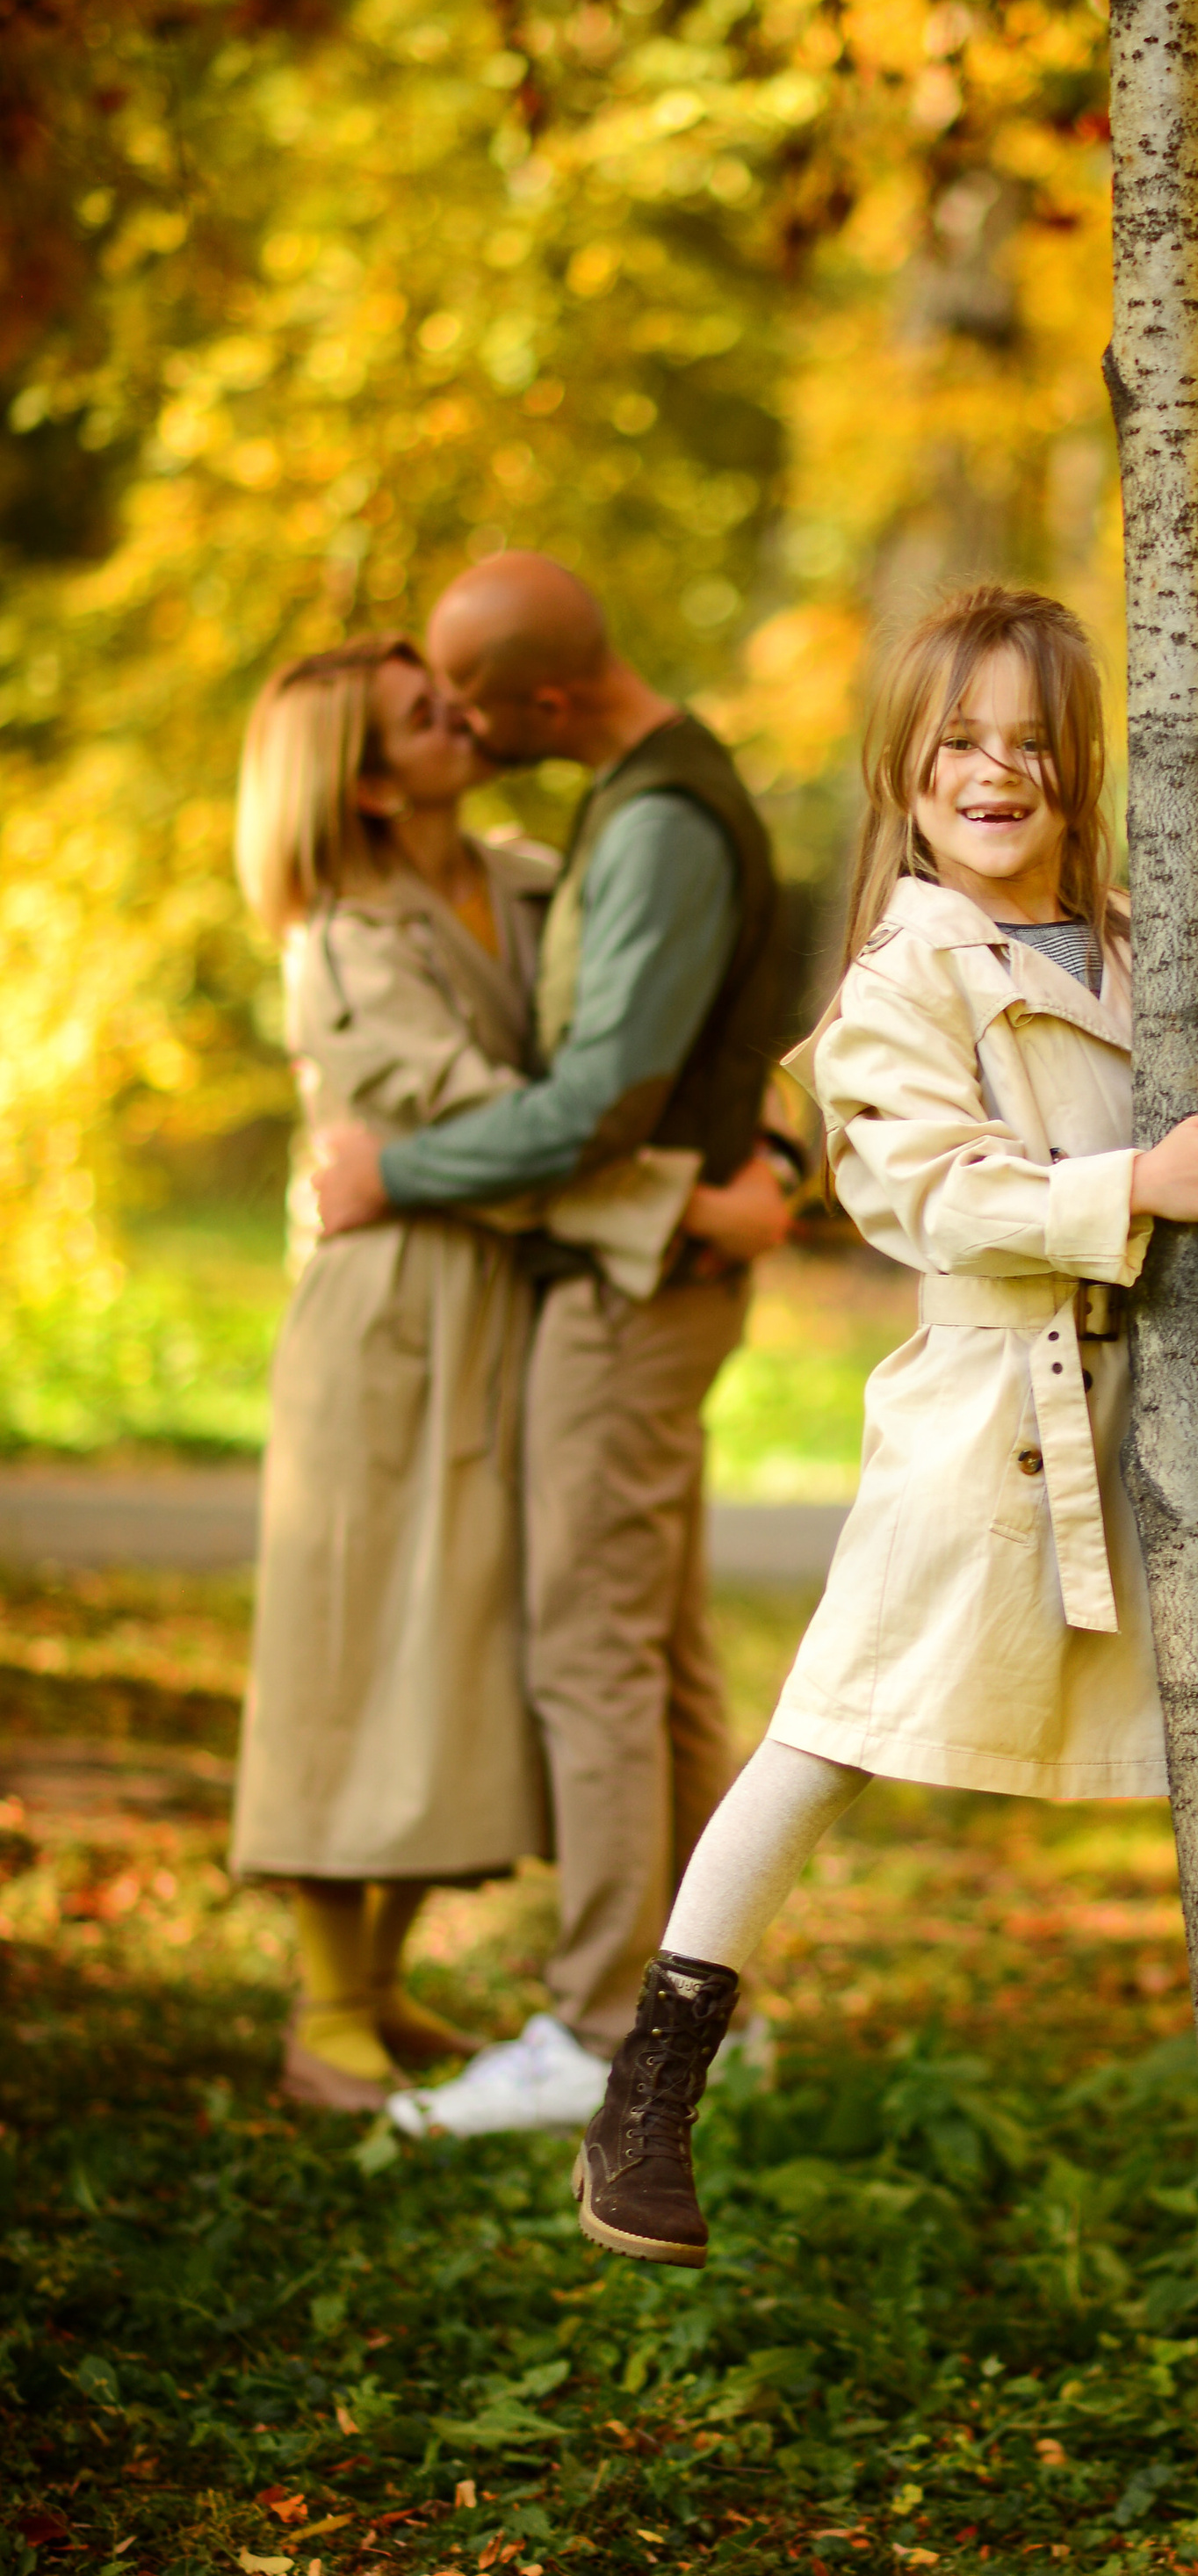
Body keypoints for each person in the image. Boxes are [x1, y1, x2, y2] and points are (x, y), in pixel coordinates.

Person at [567, 582, 1198, 2268]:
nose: (995, 769)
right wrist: (1137, 1185)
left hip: (1172, 1425)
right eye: (961, 738)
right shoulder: (900, 978)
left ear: (1082, 764)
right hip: (991, 1420)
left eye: (1031, 741)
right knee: (833, 1729)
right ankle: (649, 2090)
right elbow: (933, 1191)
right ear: (909, 763)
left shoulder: (1139, 935)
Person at [312, 557, 797, 2137]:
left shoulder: (658, 820)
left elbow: (602, 1103)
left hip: (631, 1297)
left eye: (467, 700)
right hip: (649, 1277)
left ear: (543, 700)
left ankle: (605, 2033)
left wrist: (394, 1171)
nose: (453, 723)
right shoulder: (644, 794)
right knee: (650, 1668)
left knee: (595, 1660)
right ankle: (704, 2015)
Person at [230, 635, 726, 2108]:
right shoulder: (341, 934)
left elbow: (593, 1084)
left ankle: (381, 1984)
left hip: (509, 1300)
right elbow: (493, 1124)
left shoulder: (519, 874)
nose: (466, 712)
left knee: (450, 1654)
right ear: (369, 783)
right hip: (389, 1322)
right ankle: (327, 2009)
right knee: (355, 1645)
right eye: (423, 714)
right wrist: (688, 1209)